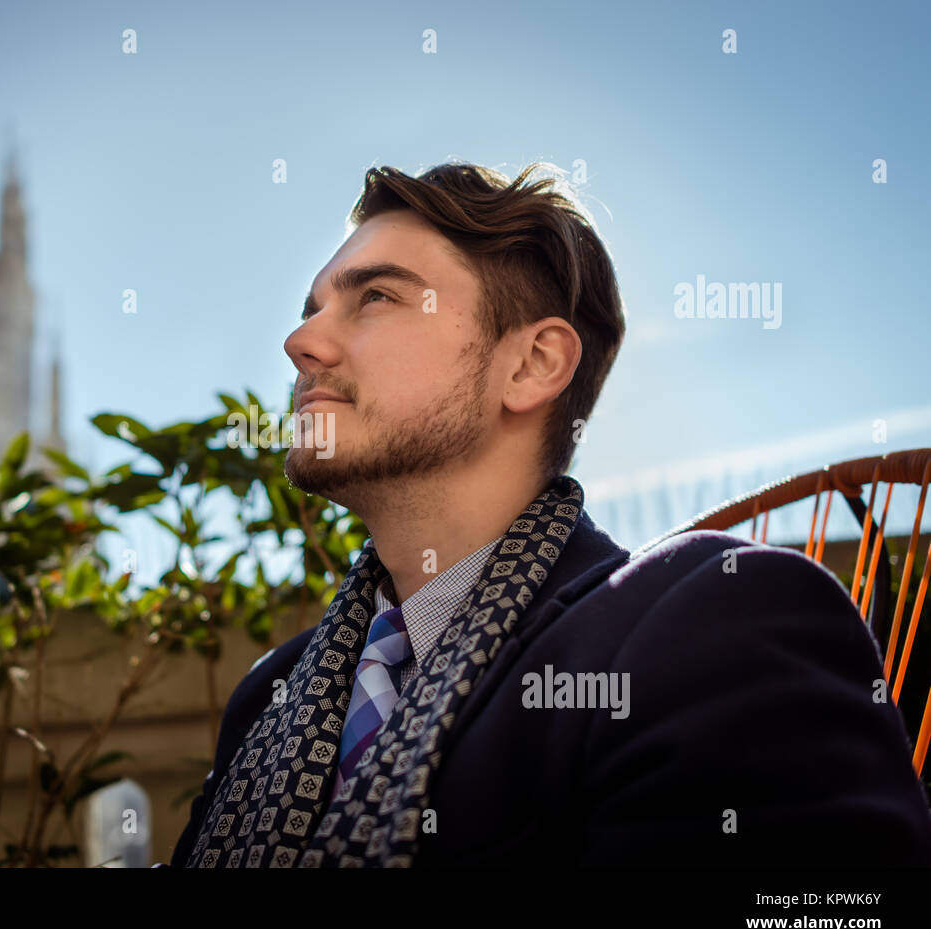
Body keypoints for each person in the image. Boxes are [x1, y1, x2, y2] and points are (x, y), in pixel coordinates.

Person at [169, 161, 931, 867]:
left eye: (375, 296)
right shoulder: (270, 696)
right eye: (313, 309)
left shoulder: (714, 621)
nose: (301, 341)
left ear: (532, 365)